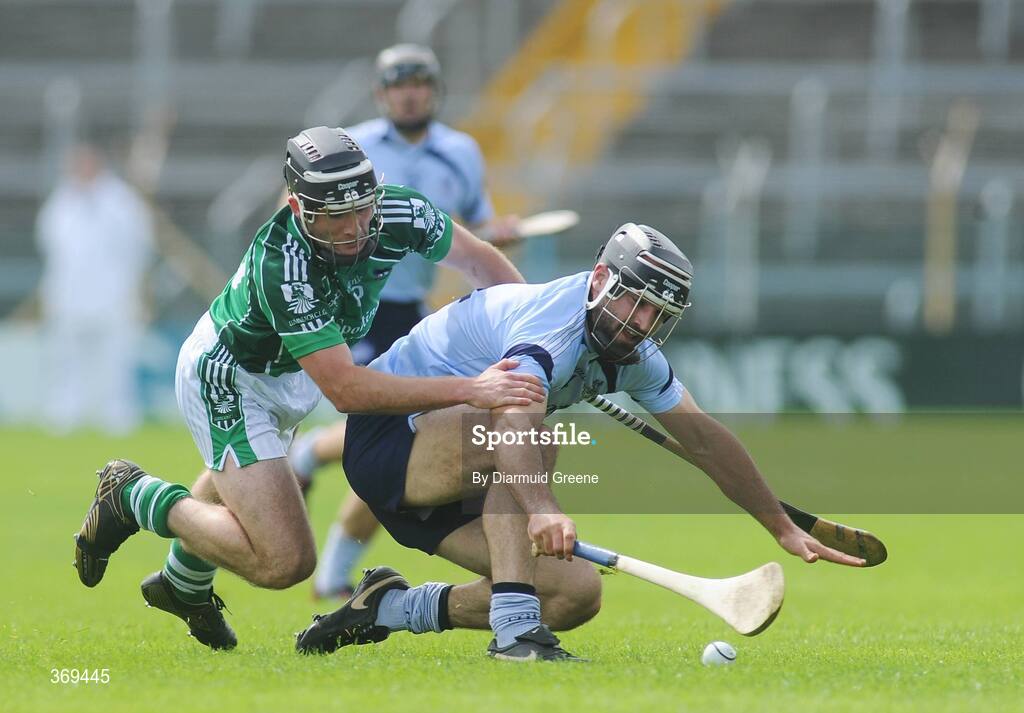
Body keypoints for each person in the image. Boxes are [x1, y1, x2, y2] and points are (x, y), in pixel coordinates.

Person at [294, 223, 866, 662]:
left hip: (457, 472)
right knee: (533, 432)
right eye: (634, 301)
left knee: (574, 595)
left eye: (657, 314)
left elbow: (707, 442)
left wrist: (781, 525)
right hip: (391, 443)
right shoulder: (555, 327)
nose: (641, 322)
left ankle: (389, 608)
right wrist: (542, 508)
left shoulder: (636, 356)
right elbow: (513, 425)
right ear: (599, 281)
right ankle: (515, 634)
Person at [72, 126, 545, 651]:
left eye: (363, 209)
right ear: (298, 208)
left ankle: (184, 584)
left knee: (239, 478)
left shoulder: (400, 211)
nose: (355, 229)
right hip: (231, 378)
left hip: (291, 374)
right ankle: (133, 495)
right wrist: (472, 389)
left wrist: (531, 347)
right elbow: (346, 390)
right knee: (285, 561)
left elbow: (482, 263)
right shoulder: (285, 264)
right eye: (335, 216)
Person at [289, 43, 520, 599]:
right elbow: (297, 213)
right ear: (381, 93)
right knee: (380, 425)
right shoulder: (356, 147)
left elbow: (475, 228)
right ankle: (312, 471)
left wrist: (498, 234)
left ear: (434, 90)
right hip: (352, 310)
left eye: (419, 81)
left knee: (396, 440)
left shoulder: (461, 152)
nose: (409, 91)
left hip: (412, 314)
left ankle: (332, 572)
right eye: (398, 83)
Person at [36, 142, 154, 434]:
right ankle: (65, 413)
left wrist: (137, 290)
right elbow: (50, 248)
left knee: (115, 360)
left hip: (113, 294)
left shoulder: (121, 201)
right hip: (68, 294)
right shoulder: (61, 201)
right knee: (66, 359)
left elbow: (139, 247)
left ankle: (118, 415)